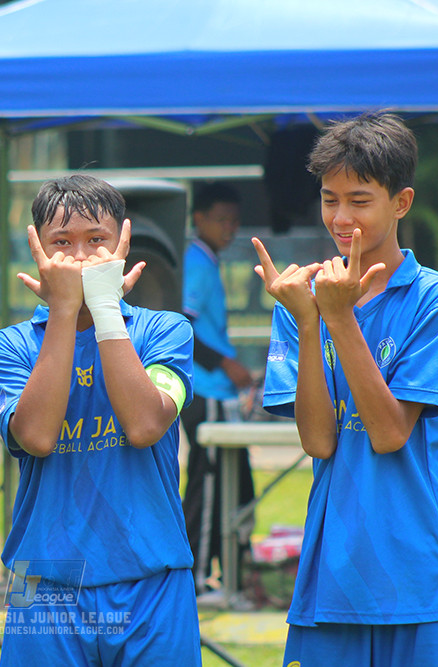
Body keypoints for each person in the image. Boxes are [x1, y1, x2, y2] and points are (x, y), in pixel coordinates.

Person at [254, 113, 438, 666]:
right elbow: (318, 442)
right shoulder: (302, 298)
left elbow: (389, 433)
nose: (341, 217)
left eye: (359, 200)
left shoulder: (437, 298)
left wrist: (338, 318)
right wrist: (310, 323)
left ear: (401, 202)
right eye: (329, 199)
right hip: (333, 573)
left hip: (422, 572)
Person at [0, 174, 200, 666]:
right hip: (45, 579)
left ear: (123, 243)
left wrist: (103, 307)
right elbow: (37, 437)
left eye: (96, 240)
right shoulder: (10, 346)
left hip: (152, 576)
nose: (80, 258)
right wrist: (64, 310)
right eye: (62, 243)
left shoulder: (164, 330)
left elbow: (145, 426)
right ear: (37, 249)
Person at [178, 182, 254, 597]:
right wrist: (227, 364)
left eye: (235, 221)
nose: (229, 228)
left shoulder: (208, 261)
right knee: (206, 486)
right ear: (199, 219)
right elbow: (181, 327)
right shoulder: (196, 262)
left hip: (218, 391)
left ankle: (232, 571)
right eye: (221, 220)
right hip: (204, 390)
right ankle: (195, 577)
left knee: (232, 482)